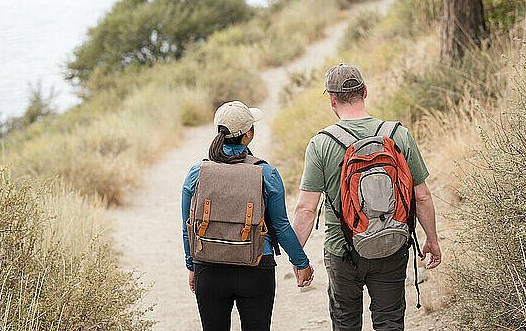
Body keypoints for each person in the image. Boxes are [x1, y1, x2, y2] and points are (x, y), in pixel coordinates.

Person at [291, 64, 442, 331]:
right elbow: (422, 196)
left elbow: (306, 209)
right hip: (392, 244)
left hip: (343, 251)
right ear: (365, 91)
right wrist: (432, 239)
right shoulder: (398, 135)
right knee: (389, 322)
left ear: (331, 99)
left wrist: (297, 256)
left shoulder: (321, 144)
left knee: (346, 323)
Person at [181, 101, 314, 331]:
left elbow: (188, 227)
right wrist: (300, 262)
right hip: (256, 267)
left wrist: (191, 266)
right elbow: (281, 227)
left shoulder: (197, 173)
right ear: (248, 135)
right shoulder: (267, 173)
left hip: (209, 267)